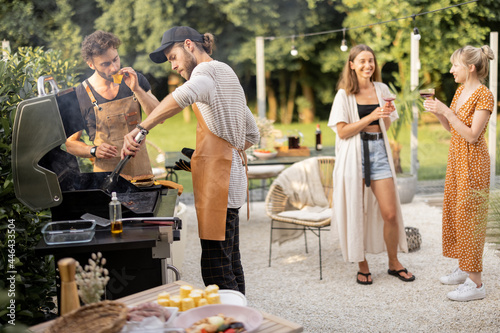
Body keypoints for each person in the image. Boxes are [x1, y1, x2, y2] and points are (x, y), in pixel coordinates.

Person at [122, 26, 260, 293]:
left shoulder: (205, 73)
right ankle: (240, 317)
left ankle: (231, 322)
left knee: (215, 270)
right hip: (232, 179)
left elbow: (181, 97)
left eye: (173, 57)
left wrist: (141, 128)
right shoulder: (227, 73)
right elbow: (252, 133)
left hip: (220, 184)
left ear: (188, 45)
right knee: (230, 261)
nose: (173, 66)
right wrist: (217, 153)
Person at [328, 44, 414, 285]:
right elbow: (343, 132)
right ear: (352, 65)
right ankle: (362, 264)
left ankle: (393, 262)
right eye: (362, 61)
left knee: (390, 213)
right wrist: (370, 116)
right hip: (353, 154)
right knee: (357, 210)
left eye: (371, 61)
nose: (368, 65)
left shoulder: (382, 88)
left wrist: (384, 116)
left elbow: (384, 127)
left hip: (379, 151)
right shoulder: (344, 94)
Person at [423, 45, 495, 301]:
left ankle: (476, 284)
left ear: (471, 67)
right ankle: (465, 267)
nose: (451, 70)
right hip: (456, 160)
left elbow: (472, 135)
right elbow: (452, 128)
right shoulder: (460, 91)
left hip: (474, 162)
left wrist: (447, 112)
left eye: (455, 65)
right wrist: (438, 112)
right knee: (456, 212)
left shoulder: (484, 95)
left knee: (471, 218)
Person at [66, 30, 159, 180]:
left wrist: (137, 90)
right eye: (105, 64)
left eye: (115, 59)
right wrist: (93, 150)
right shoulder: (81, 94)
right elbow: (70, 143)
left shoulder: (136, 80)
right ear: (91, 64)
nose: (114, 68)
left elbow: (159, 116)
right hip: (106, 179)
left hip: (142, 174)